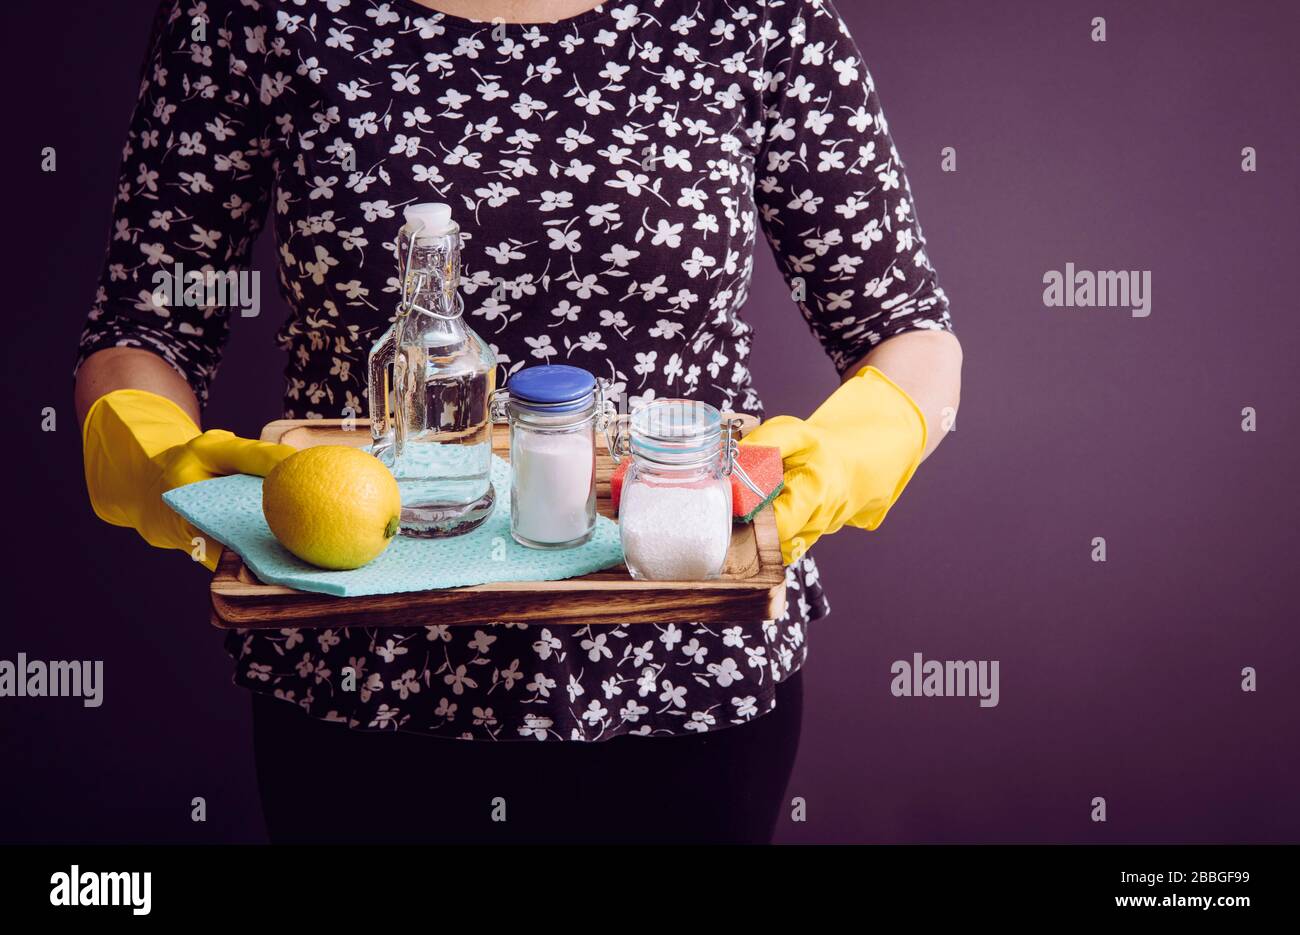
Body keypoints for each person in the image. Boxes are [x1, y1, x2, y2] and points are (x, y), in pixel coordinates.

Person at [76, 0, 962, 843]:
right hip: (358, 676)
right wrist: (158, 456)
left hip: (686, 674)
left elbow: (909, 330)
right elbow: (143, 323)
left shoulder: (758, 15)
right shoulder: (247, 14)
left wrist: (835, 463)